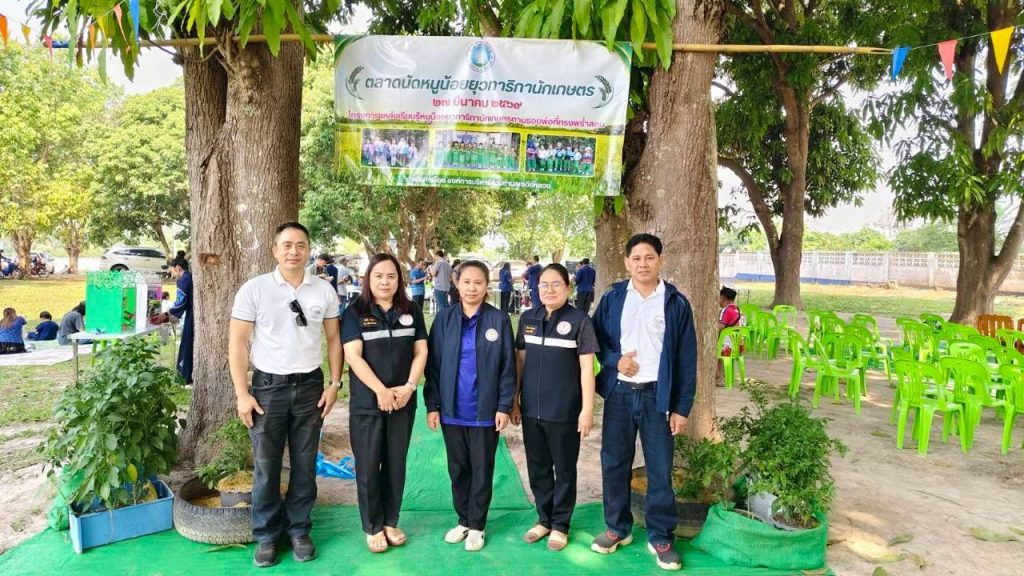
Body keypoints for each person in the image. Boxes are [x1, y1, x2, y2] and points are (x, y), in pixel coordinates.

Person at [229, 222, 344, 568]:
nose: (294, 251)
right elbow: (237, 342)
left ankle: (299, 530)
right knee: (266, 466)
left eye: (301, 245)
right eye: (287, 245)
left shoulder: (324, 290)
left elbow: (334, 339)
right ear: (275, 250)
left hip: (310, 387)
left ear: (309, 250)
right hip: (267, 389)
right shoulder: (254, 289)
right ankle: (266, 536)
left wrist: (335, 384)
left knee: (305, 464)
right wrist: (242, 393)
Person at [590, 233, 697, 572]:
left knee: (660, 467)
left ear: (660, 260)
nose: (643, 264)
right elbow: (595, 339)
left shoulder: (675, 303)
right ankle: (617, 528)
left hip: (657, 398)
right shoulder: (613, 298)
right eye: (636, 258)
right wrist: (615, 361)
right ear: (627, 262)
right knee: (614, 462)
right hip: (620, 394)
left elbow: (687, 359)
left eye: (649, 257)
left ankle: (661, 536)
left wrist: (681, 408)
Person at [424, 260, 516, 553]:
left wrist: (504, 405)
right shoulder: (444, 319)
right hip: (452, 411)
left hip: (485, 412)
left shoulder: (498, 320)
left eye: (478, 282)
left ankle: (477, 525)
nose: (472, 288)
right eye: (466, 282)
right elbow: (433, 366)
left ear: (487, 286)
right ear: (456, 283)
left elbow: (508, 367)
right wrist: (432, 405)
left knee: (482, 468)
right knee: (458, 468)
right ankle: (463, 520)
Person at [342, 254, 428, 554]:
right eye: (378, 276)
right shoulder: (354, 312)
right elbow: (353, 356)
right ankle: (373, 526)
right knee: (368, 465)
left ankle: (391, 521)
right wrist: (380, 390)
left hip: (403, 401)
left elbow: (421, 351)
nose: (385, 282)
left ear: (399, 280)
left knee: (395, 463)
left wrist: (409, 387)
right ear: (369, 278)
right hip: (368, 403)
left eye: (391, 276)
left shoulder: (411, 310)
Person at [512, 264, 598, 551]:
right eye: (544, 285)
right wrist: (514, 400)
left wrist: (587, 410)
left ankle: (560, 524)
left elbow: (587, 368)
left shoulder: (580, 320)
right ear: (537, 288)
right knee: (537, 467)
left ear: (568, 288)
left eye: (556, 284)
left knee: (564, 469)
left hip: (564, 411)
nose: (549, 290)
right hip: (531, 409)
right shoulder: (528, 318)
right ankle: (544, 519)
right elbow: (520, 361)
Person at [165, 258, 194, 384]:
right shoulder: (189, 277)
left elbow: (181, 301)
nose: (172, 275)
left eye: (172, 271)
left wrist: (170, 313)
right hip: (191, 312)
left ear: (178, 268)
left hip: (192, 314)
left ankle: (184, 376)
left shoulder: (185, 279)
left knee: (187, 343)